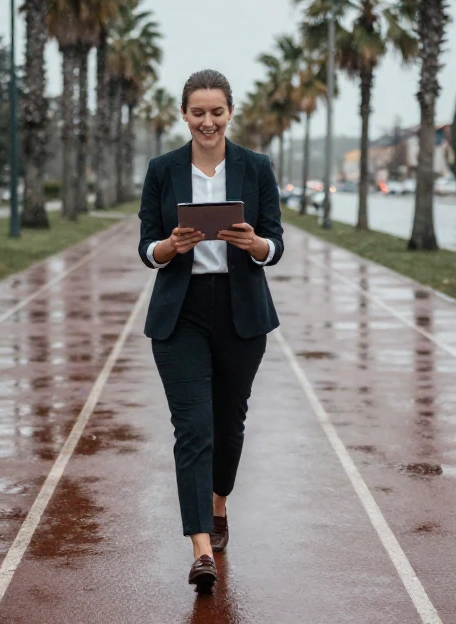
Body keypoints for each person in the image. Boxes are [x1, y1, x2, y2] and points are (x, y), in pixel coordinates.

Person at [137, 69, 284, 592]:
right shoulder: (162, 170)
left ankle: (219, 503)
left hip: (241, 312)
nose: (207, 121)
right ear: (184, 115)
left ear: (229, 113)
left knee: (229, 425)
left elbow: (277, 243)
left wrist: (255, 245)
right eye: (197, 112)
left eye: (216, 111)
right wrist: (168, 248)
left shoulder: (256, 167)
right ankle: (201, 547)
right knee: (193, 429)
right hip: (181, 315)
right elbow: (146, 246)